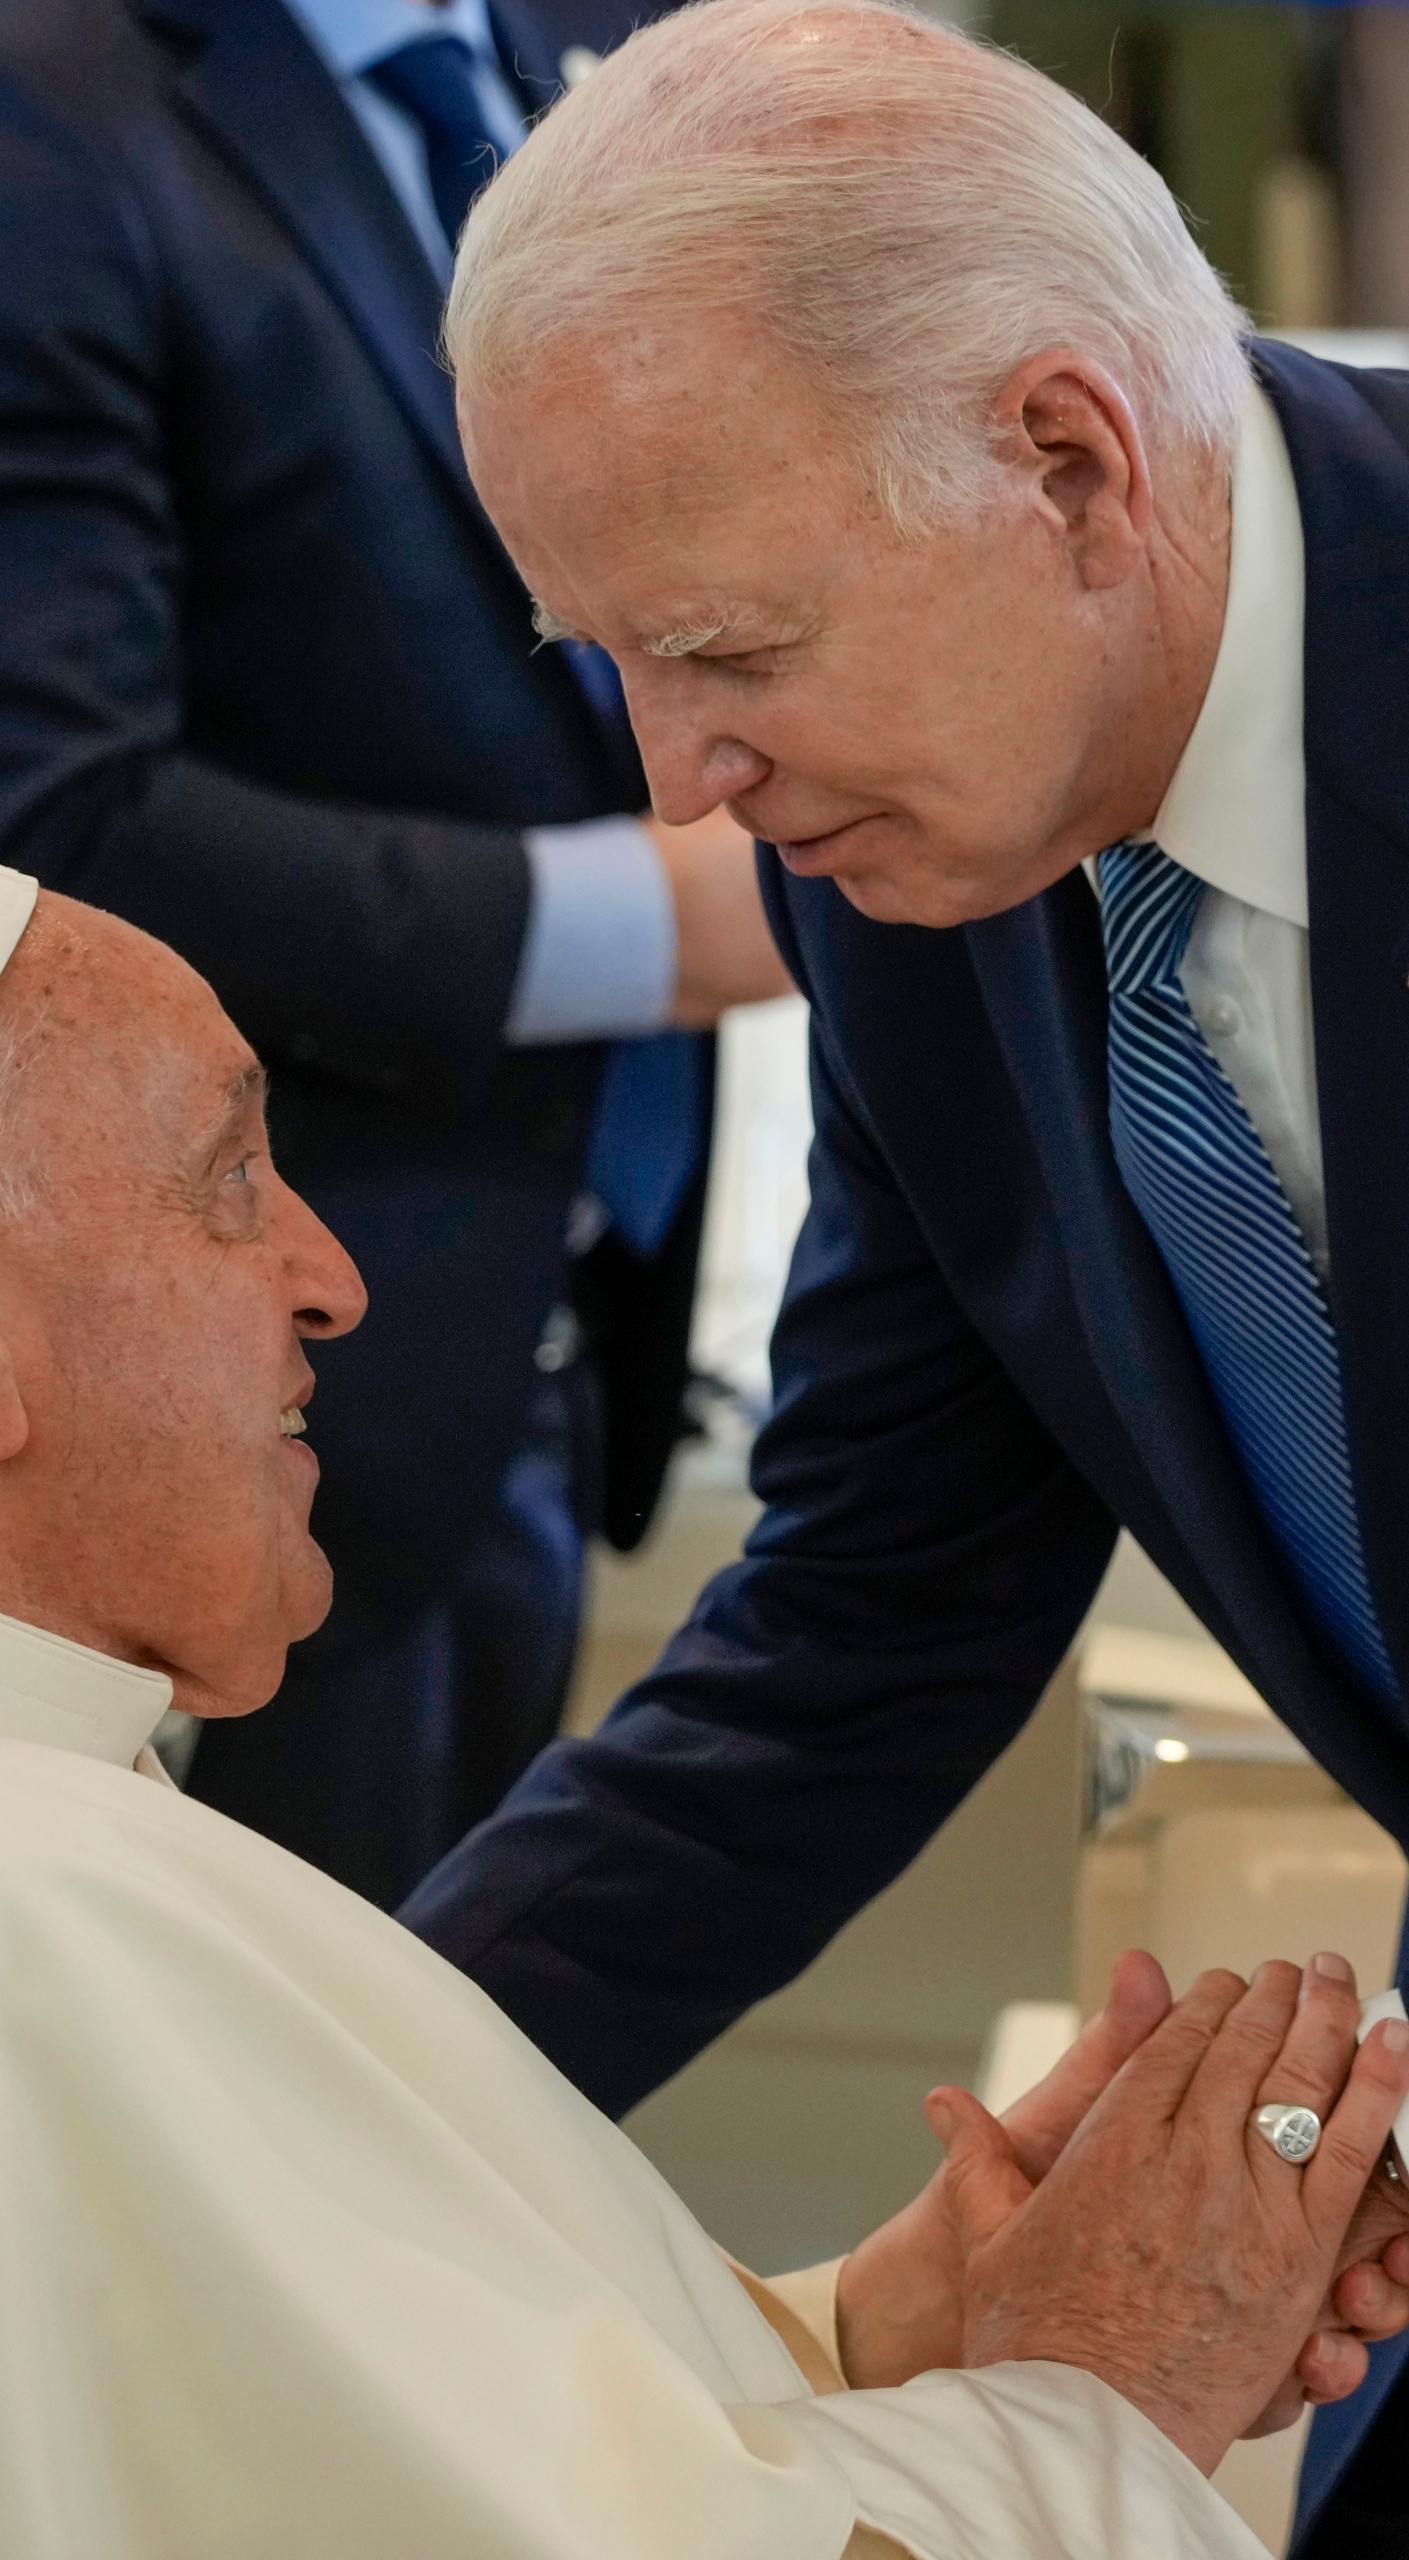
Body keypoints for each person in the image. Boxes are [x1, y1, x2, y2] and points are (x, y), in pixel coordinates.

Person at [396, 2, 1409, 2542]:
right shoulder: (929, 841)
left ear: (1067, 463)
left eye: (729, 648)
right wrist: (314, 2078)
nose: (678, 782)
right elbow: (879, 1595)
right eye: (616, 665)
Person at [0, 856, 1409, 2558]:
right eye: (229, 1179)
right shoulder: (29, 1915)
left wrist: (895, 2331)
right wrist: (1103, 2378)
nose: (330, 1276)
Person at [0, 0, 789, 1911]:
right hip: (232, 1369)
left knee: (458, 2061)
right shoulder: (31, 108)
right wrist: (659, 922)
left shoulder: (604, 49)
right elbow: (45, 820)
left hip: (563, 1315)